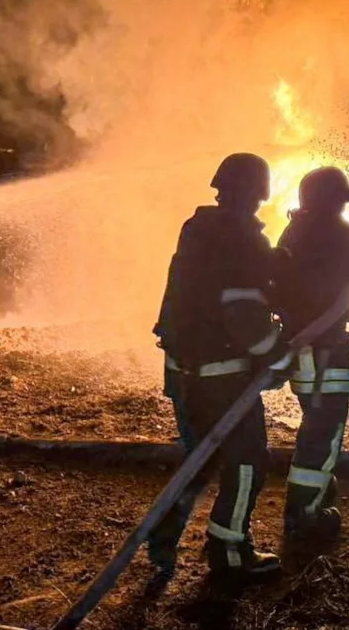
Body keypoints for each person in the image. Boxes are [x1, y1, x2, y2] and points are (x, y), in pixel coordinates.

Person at [147, 153, 292, 577]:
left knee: (200, 458)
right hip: (222, 376)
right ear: (260, 192)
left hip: (183, 372)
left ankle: (161, 538)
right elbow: (243, 312)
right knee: (247, 461)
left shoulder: (198, 230)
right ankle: (231, 554)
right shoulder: (243, 237)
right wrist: (276, 354)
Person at [274, 167, 349, 542]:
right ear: (336, 202)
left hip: (304, 350)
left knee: (315, 426)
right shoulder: (337, 235)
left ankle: (319, 494)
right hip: (328, 351)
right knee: (323, 434)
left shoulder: (295, 231)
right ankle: (304, 516)